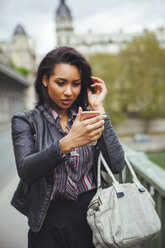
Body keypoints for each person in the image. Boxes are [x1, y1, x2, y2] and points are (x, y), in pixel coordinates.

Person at [11, 46, 124, 248]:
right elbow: (26, 170)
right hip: (47, 220)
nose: (69, 91)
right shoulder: (25, 121)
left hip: (92, 218)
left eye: (76, 84)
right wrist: (68, 143)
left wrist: (98, 109)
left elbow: (116, 165)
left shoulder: (88, 117)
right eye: (61, 83)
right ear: (45, 80)